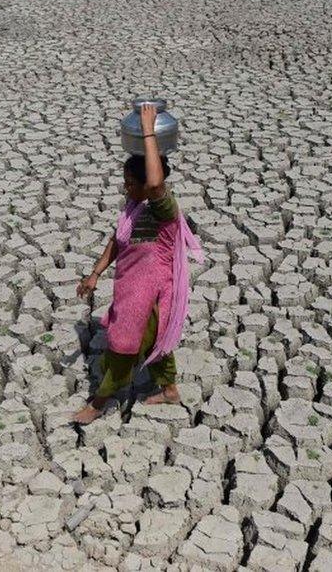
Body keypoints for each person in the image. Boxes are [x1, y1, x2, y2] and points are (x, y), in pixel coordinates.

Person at [72, 102, 203, 425]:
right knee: (156, 342)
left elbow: (157, 184)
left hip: (152, 295)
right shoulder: (133, 207)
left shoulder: (163, 210)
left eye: (131, 182)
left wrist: (148, 132)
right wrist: (95, 273)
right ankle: (170, 390)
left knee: (123, 348)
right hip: (132, 291)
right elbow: (117, 241)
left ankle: (100, 402)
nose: (126, 188)